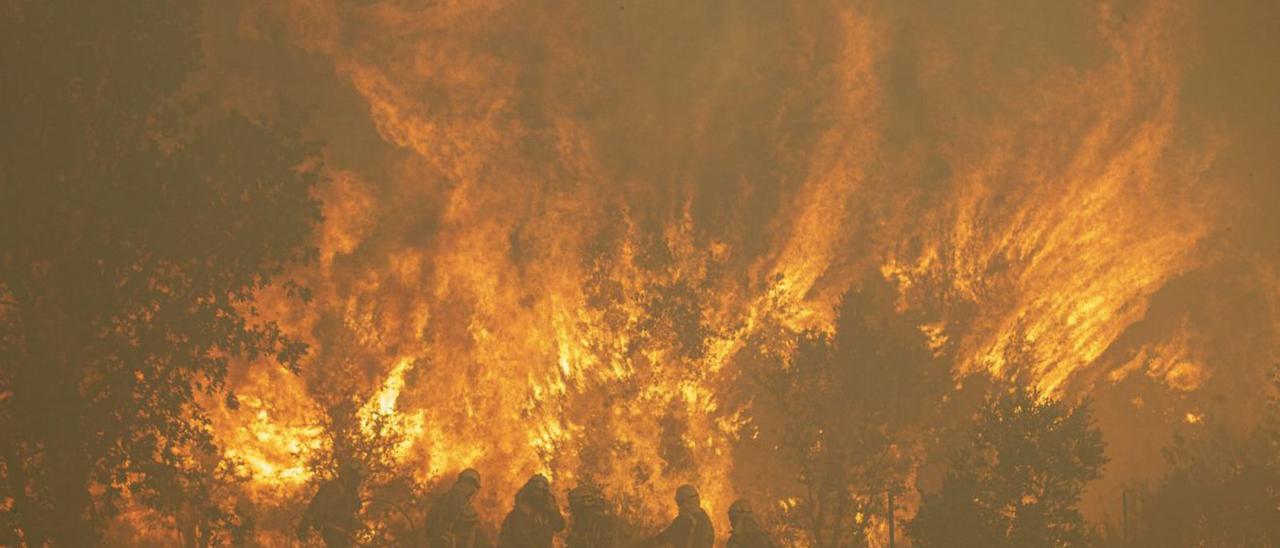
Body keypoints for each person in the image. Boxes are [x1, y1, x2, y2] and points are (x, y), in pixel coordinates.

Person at [296, 460, 365, 548]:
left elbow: (352, 510)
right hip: (332, 530)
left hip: (342, 532)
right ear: (348, 474)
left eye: (359, 478)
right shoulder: (334, 488)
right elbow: (316, 505)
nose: (358, 481)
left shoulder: (350, 492)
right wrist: (304, 525)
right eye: (356, 477)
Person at [426, 468, 491, 548]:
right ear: (464, 484)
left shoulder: (451, 500)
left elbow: (477, 534)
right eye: (473, 486)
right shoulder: (453, 501)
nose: (474, 491)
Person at [498, 474, 565, 548]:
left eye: (543, 491)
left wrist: (553, 510)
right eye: (537, 490)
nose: (540, 493)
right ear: (530, 491)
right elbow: (520, 540)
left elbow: (559, 526)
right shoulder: (519, 514)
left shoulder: (547, 512)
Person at [640, 484, 714, 548]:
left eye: (679, 502)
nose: (679, 506)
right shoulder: (703, 517)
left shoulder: (687, 520)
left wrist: (644, 543)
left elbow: (666, 536)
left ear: (687, 502)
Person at [566, 482, 618, 548]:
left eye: (574, 502)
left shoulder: (599, 520)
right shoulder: (581, 521)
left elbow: (602, 542)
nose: (572, 507)